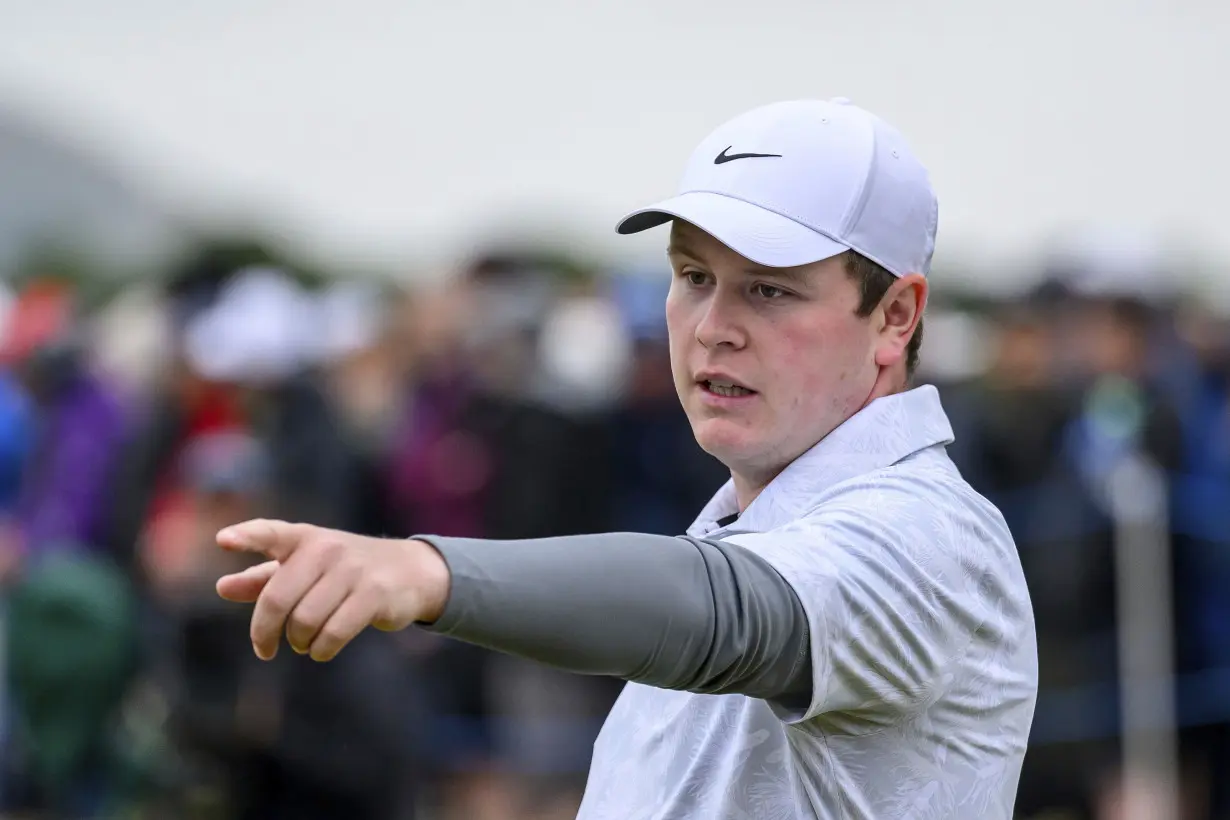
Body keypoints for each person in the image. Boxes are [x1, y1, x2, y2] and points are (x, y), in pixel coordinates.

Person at [213, 98, 1039, 819]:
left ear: (896, 315)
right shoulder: (750, 513)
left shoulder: (931, 532)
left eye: (770, 288)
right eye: (693, 275)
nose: (711, 324)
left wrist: (433, 574)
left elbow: (732, 616)